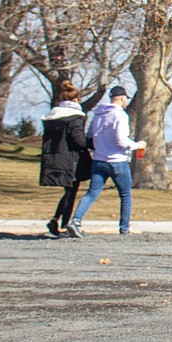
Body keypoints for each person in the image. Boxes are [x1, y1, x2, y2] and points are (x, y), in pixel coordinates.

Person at [67, 85, 145, 237]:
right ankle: (124, 228)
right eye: (125, 99)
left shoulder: (98, 115)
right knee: (125, 195)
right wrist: (137, 145)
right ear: (122, 98)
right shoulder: (120, 115)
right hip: (117, 161)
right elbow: (121, 141)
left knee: (92, 193)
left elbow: (89, 137)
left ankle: (75, 221)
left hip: (99, 160)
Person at [39, 81, 92, 237]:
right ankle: (63, 224)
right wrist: (92, 142)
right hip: (71, 160)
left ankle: (57, 220)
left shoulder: (52, 118)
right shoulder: (75, 118)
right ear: (76, 100)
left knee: (68, 192)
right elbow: (78, 141)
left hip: (55, 158)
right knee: (71, 192)